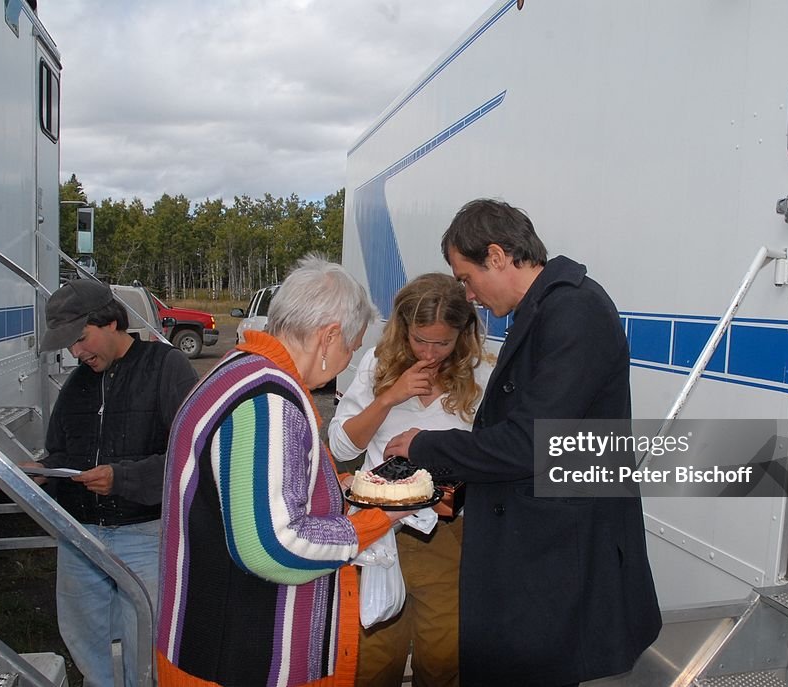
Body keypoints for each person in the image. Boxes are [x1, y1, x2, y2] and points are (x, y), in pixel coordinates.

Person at [385, 199, 663, 686]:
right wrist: (461, 489)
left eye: (466, 278)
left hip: (559, 563)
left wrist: (424, 446)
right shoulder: (544, 309)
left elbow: (528, 442)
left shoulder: (575, 311)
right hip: (539, 552)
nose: (467, 294)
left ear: (497, 256)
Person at [156, 256, 411, 687]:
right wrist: (376, 520)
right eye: (352, 346)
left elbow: (252, 493)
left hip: (212, 650)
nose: (349, 359)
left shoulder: (235, 371)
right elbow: (272, 546)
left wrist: (338, 488)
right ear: (329, 337)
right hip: (245, 662)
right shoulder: (269, 402)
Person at [30, 278, 198, 687]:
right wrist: (44, 470)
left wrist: (122, 478)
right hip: (80, 535)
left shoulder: (166, 366)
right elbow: (61, 449)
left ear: (110, 322)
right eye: (69, 345)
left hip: (145, 532)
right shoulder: (78, 383)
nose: (76, 352)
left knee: (148, 643)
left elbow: (194, 455)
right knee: (84, 636)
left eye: (81, 338)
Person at [328, 273, 492, 687]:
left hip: (447, 534)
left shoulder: (480, 371)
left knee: (442, 658)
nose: (431, 352)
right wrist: (389, 397)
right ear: (403, 328)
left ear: (464, 333)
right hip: (381, 532)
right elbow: (343, 448)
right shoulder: (376, 364)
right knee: (375, 661)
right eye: (421, 340)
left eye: (443, 342)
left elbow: (492, 454)